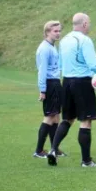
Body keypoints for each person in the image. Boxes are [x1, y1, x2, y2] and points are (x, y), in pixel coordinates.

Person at [47, 13, 96, 167]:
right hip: (82, 83)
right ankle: (86, 161)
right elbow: (94, 65)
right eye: (88, 23)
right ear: (84, 24)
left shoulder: (63, 41)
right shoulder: (84, 40)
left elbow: (61, 64)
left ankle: (52, 150)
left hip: (67, 81)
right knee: (86, 120)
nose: (89, 26)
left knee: (67, 119)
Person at [34, 21, 63, 158]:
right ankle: (39, 150)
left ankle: (54, 148)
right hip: (50, 84)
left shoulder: (52, 47)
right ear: (47, 32)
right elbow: (42, 71)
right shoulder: (44, 48)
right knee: (49, 116)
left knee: (56, 116)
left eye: (59, 31)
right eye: (55, 31)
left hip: (56, 83)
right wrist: (43, 90)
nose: (58, 33)